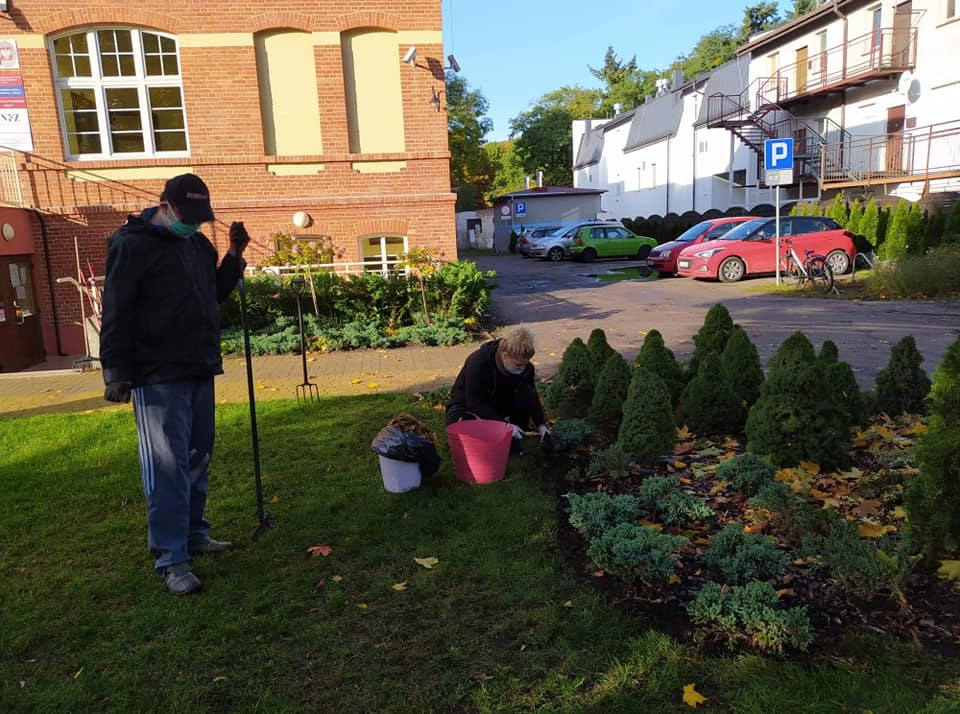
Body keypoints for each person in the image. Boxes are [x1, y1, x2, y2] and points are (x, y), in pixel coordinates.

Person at [99, 173, 249, 596]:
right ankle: (171, 558)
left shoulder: (198, 245)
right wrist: (116, 372)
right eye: (190, 217)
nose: (196, 225)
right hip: (156, 373)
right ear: (165, 206)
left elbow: (214, 293)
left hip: (199, 366)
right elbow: (117, 310)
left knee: (199, 456)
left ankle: (194, 534)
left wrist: (235, 254)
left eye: (202, 219)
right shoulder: (131, 246)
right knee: (168, 468)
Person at [445, 326, 549, 453]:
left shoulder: (526, 368)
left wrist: (541, 424)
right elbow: (475, 403)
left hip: (499, 407)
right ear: (505, 355)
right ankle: (503, 439)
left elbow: (531, 396)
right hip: (466, 406)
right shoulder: (478, 362)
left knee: (524, 394)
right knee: (459, 425)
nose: (522, 368)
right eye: (518, 364)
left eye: (526, 363)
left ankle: (517, 436)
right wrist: (502, 425)